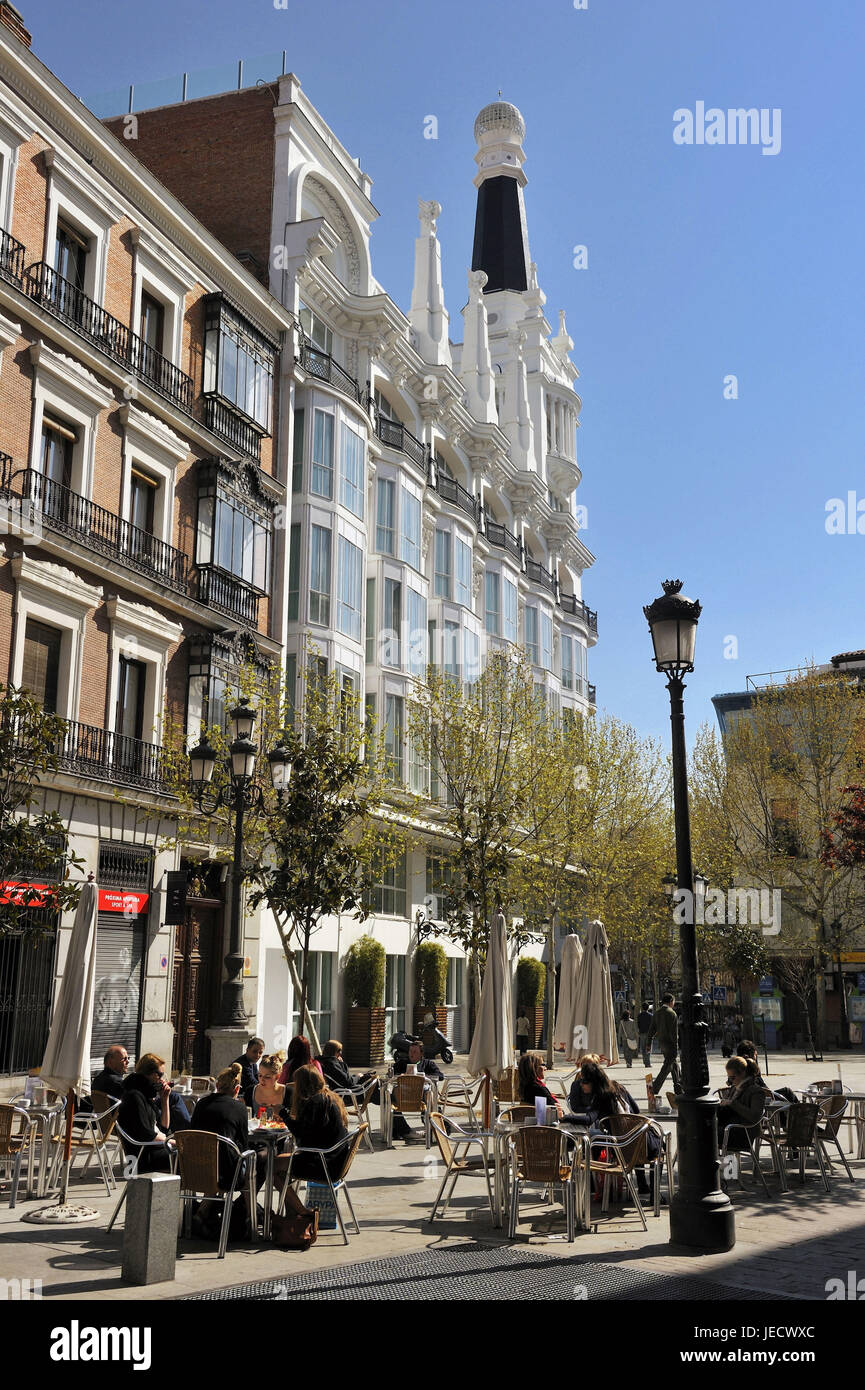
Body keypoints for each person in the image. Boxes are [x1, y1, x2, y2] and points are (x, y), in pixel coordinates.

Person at [283, 1064, 349, 1179]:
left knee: (272, 1165)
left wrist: (283, 1114)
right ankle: (288, 1196)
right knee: (281, 1169)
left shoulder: (315, 1103)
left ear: (302, 1085)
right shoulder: (330, 1097)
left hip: (322, 1162)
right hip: (336, 1158)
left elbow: (300, 1134)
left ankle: (291, 1197)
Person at [117, 1053, 174, 1172]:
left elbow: (163, 1128)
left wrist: (165, 1100)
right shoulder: (134, 1096)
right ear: (151, 1075)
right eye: (160, 1075)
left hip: (154, 1149)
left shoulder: (145, 1094)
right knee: (191, 1158)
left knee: (192, 1155)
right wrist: (175, 1142)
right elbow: (147, 1134)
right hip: (145, 1156)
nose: (162, 1080)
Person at [716, 1056, 770, 1150]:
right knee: (701, 1130)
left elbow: (755, 1117)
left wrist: (732, 1103)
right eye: (729, 1079)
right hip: (731, 1128)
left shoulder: (756, 1091)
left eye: (732, 1078)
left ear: (743, 1073)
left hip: (743, 1133)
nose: (730, 1082)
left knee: (706, 1135)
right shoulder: (735, 1088)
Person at [649, 994, 682, 1096]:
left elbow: (652, 1029)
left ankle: (679, 1088)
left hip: (662, 1043)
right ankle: (654, 1088)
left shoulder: (657, 1013)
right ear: (671, 1001)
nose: (674, 1004)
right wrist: (676, 1046)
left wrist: (648, 1042)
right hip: (670, 1044)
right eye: (674, 1002)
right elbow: (674, 1033)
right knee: (667, 1066)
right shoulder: (672, 1013)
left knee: (674, 1066)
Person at [517, 1053, 563, 1117]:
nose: (545, 1068)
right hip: (545, 1124)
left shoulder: (525, 1087)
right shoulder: (538, 1089)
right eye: (543, 1065)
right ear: (533, 1068)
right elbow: (559, 1112)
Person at [250, 1054, 290, 1120]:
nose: (262, 1080)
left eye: (267, 1077)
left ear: (277, 1076)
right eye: (260, 1075)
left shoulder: (288, 1093)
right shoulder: (251, 1091)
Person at [233, 1037, 265, 1105]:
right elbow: (253, 1082)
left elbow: (258, 1079)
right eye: (254, 1051)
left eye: (260, 1052)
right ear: (247, 1050)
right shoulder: (242, 1064)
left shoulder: (253, 1064)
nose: (257, 1055)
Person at [636, 1003, 653, 1068]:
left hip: (642, 1033)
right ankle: (648, 1063)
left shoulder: (639, 1015)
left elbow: (638, 1024)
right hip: (649, 1033)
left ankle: (645, 1061)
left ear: (642, 1008)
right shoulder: (651, 1015)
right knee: (648, 1047)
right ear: (648, 1008)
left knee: (643, 1048)